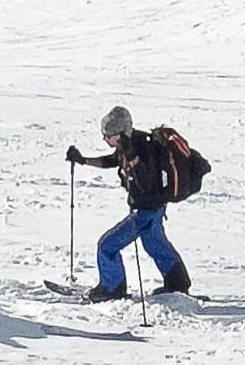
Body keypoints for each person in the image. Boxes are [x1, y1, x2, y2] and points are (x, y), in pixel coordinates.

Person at [68, 103, 192, 299]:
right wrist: (83, 160)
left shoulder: (140, 147)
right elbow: (112, 160)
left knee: (107, 246)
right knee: (155, 244)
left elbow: (144, 181)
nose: (106, 139)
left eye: (108, 136)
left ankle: (112, 288)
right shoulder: (129, 143)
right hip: (154, 209)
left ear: (119, 134)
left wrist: (133, 157)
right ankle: (177, 283)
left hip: (146, 211)